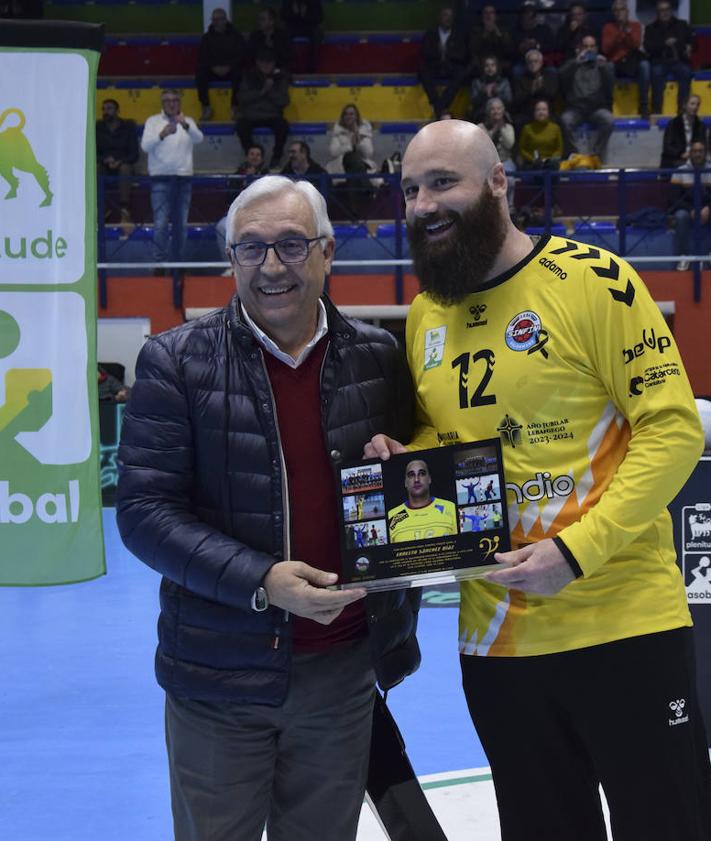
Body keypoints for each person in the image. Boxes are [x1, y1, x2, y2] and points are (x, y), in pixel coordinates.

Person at [365, 118, 711, 841]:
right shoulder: (426, 312)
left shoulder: (593, 282)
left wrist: (575, 551)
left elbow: (673, 428)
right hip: (496, 643)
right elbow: (449, 437)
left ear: (498, 183)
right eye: (408, 189)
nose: (421, 205)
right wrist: (406, 456)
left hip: (623, 625)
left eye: (441, 183)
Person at [116, 175, 421, 841]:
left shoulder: (379, 355)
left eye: (290, 244)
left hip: (340, 674)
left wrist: (405, 469)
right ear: (230, 259)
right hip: (218, 675)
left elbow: (411, 481)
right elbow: (143, 511)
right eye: (250, 250)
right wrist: (261, 581)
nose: (271, 266)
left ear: (328, 251)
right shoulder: (174, 362)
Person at [140, 90, 204, 274]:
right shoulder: (153, 121)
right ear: (162, 103)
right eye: (167, 101)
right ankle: (159, 264)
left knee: (181, 224)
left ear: (179, 102)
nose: (172, 104)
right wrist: (161, 134)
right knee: (160, 223)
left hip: (183, 178)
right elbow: (145, 146)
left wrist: (185, 125)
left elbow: (199, 139)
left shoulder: (188, 121)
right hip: (160, 179)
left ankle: (178, 264)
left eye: (175, 100)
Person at [560, 35, 614, 160]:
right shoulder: (572, 64)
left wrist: (604, 68)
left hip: (597, 108)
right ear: (579, 48)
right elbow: (560, 77)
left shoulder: (603, 65)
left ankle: (596, 155)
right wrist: (576, 62)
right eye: (585, 46)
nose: (589, 50)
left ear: (596, 48)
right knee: (565, 120)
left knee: (608, 120)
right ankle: (576, 156)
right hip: (576, 109)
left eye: (592, 46)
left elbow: (611, 87)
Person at [236, 49, 290, 170]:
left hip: (272, 115)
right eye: (263, 62)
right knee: (241, 126)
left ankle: (277, 157)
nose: (266, 65)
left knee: (283, 126)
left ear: (274, 63)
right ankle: (251, 158)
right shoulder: (248, 76)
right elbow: (242, 97)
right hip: (251, 115)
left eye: (269, 62)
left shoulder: (280, 77)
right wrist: (262, 92)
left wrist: (269, 91)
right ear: (257, 63)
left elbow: (284, 101)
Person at [418, 5, 470, 120]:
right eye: (445, 15)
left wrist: (447, 53)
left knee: (461, 73)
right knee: (423, 72)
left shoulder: (459, 34)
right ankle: (437, 102)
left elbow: (463, 54)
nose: (448, 19)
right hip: (435, 64)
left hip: (451, 65)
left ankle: (440, 105)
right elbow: (425, 51)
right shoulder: (431, 33)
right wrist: (438, 53)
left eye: (450, 16)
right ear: (440, 17)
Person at [387, 459, 457, 543]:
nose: (416, 479)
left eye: (422, 474)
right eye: (411, 475)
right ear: (405, 482)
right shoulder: (392, 516)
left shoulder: (451, 508)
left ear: (429, 479)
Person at [601, 0, 650, 117]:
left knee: (645, 66)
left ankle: (643, 105)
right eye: (616, 10)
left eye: (622, 9)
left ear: (627, 12)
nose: (619, 13)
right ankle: (608, 105)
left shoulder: (635, 25)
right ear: (613, 13)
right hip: (615, 62)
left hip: (631, 63)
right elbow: (606, 49)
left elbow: (635, 44)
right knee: (607, 67)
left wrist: (626, 33)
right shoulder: (608, 27)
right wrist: (619, 32)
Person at [643, 0, 693, 115]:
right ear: (657, 12)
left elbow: (692, 41)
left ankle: (682, 111)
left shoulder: (682, 24)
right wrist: (664, 44)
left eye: (666, 10)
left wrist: (690, 46)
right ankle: (656, 111)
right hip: (660, 61)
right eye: (661, 10)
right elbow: (648, 47)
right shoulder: (651, 28)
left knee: (685, 72)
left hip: (678, 61)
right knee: (656, 73)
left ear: (671, 11)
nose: (664, 13)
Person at [195, 7, 245, 121]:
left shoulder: (236, 36)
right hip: (213, 70)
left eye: (218, 20)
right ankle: (206, 106)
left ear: (225, 20)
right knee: (200, 73)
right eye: (214, 20)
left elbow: (241, 55)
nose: (215, 22)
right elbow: (203, 57)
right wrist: (213, 67)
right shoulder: (206, 38)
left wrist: (229, 66)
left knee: (240, 74)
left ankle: (235, 107)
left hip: (231, 69)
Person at [96, 98, 139, 226]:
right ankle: (102, 209)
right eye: (103, 109)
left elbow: (134, 154)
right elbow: (93, 152)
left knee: (125, 169)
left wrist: (120, 161)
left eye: (109, 108)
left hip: (124, 163)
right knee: (95, 170)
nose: (105, 111)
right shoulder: (98, 127)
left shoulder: (128, 126)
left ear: (117, 111)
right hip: (105, 164)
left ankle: (124, 208)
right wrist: (104, 160)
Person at [669, 140, 711, 271]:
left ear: (705, 153)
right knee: (681, 216)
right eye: (695, 151)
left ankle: (708, 255)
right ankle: (684, 257)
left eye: (701, 151)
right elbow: (674, 199)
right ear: (690, 153)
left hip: (707, 208)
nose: (698, 154)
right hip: (687, 208)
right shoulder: (680, 171)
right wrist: (692, 210)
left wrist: (708, 208)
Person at [477, 98, 516, 211]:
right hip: (486, 161)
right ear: (488, 111)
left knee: (511, 180)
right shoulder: (480, 127)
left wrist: (501, 129)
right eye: (493, 109)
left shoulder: (508, 127)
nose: (496, 111)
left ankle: (510, 207)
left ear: (503, 111)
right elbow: (483, 144)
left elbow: (510, 144)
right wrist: (494, 130)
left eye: (499, 109)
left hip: (504, 160)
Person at [510, 48, 559, 132]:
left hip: (547, 110)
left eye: (536, 61)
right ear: (526, 64)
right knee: (517, 122)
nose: (533, 64)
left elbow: (552, 94)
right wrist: (537, 92)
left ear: (541, 63)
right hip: (528, 111)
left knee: (559, 121)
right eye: (530, 62)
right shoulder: (520, 79)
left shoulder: (550, 77)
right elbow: (518, 98)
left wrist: (533, 93)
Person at [326, 103, 377, 175]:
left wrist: (358, 139)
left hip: (362, 165)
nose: (348, 117)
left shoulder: (364, 131)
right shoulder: (338, 132)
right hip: (342, 167)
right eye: (346, 114)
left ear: (356, 116)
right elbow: (333, 153)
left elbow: (368, 153)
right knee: (352, 158)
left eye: (351, 114)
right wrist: (350, 145)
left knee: (357, 164)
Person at [660, 94, 708, 170]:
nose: (695, 107)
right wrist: (681, 154)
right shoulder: (673, 124)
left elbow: (704, 145)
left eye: (697, 105)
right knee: (684, 167)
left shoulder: (701, 126)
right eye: (692, 104)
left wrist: (694, 154)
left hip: (695, 159)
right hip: (676, 159)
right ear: (684, 105)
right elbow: (667, 147)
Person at [468, 5, 515, 78]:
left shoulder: (503, 30)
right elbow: (473, 49)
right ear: (482, 16)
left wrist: (498, 34)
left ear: (495, 16)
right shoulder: (476, 30)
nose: (488, 15)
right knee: (469, 69)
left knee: (511, 70)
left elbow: (509, 49)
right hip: (482, 62)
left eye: (491, 13)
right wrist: (485, 34)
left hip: (499, 62)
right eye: (486, 13)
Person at [512, 1, 554, 76]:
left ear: (535, 19)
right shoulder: (516, 32)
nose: (526, 21)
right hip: (523, 62)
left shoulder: (544, 30)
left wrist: (537, 45)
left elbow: (552, 46)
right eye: (524, 19)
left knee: (552, 71)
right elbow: (510, 51)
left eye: (529, 19)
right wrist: (520, 48)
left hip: (543, 63)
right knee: (516, 71)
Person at [518, 98, 564, 168]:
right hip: (532, 164)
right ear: (534, 112)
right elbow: (522, 149)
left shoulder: (555, 128)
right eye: (538, 110)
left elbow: (559, 149)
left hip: (551, 164)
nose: (541, 112)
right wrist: (533, 159)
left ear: (548, 112)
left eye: (544, 109)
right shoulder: (527, 128)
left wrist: (550, 160)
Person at [281, 0, 323, 72]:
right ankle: (290, 64)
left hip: (310, 26)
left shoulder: (314, 2)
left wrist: (305, 14)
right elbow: (283, 16)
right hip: (293, 26)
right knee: (285, 33)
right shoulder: (288, 2)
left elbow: (319, 17)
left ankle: (312, 65)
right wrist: (295, 13)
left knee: (317, 33)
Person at [469, 55, 512, 124]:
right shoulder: (477, 82)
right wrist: (483, 93)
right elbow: (474, 100)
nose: (490, 68)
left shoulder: (504, 82)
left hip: (499, 113)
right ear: (483, 68)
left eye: (493, 65)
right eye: (487, 66)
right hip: (482, 113)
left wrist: (496, 93)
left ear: (497, 67)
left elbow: (508, 99)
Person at [248, 6, 290, 73]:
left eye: (262, 19)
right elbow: (250, 57)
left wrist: (273, 47)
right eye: (259, 19)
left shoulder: (282, 36)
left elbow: (285, 59)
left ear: (272, 21)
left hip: (277, 70)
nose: (259, 22)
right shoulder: (254, 36)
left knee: (282, 73)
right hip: (258, 70)